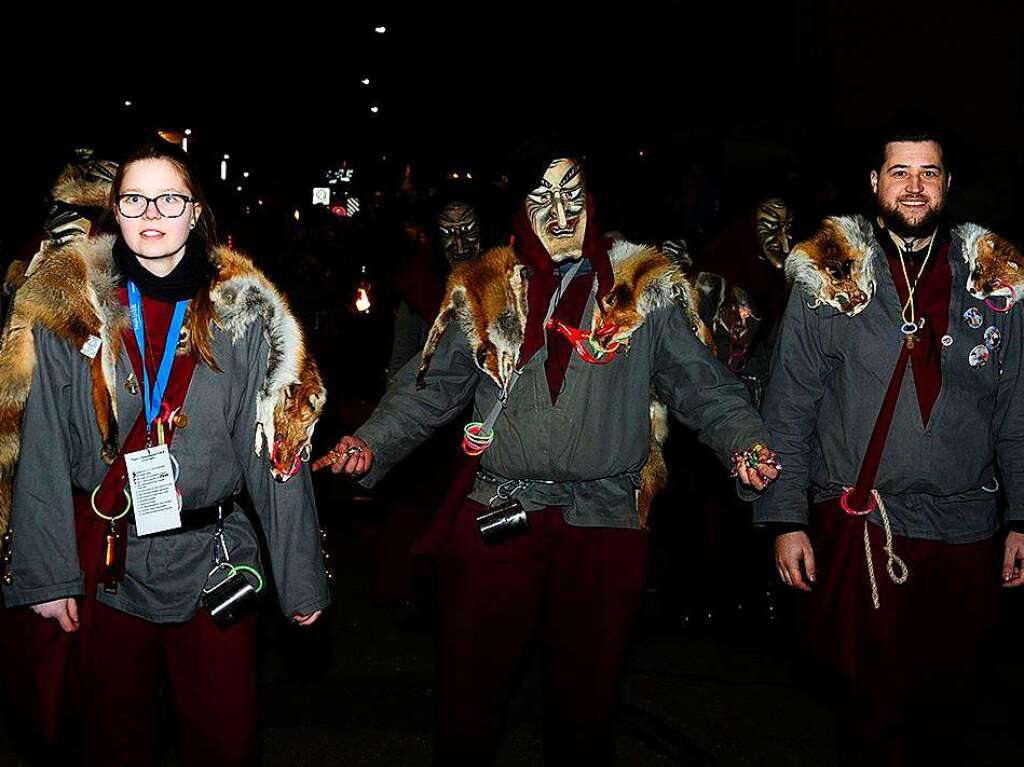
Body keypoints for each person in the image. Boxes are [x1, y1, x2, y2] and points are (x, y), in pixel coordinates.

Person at [316, 149, 778, 765]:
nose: (557, 215)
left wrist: (744, 440)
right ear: (519, 211)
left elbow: (701, 385)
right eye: (540, 201)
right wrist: (369, 443)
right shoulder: (484, 287)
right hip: (502, 516)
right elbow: (428, 387)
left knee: (586, 707)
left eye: (571, 197)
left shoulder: (644, 285)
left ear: (594, 202)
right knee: (469, 697)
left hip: (606, 521)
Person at [0, 141, 330, 766]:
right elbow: (38, 441)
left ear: (196, 212)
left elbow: (273, 449)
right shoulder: (70, 311)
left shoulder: (245, 313)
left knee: (226, 739)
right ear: (115, 211)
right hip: (111, 561)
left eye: (170, 198)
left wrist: (300, 576)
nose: (152, 213)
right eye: (134, 199)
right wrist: (48, 575)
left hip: (215, 558)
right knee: (114, 738)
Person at [755, 124, 1024, 766]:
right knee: (873, 710)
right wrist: (786, 519)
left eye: (928, 172)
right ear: (874, 182)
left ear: (947, 184)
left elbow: (1016, 408)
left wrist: (1021, 517)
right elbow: (789, 403)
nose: (914, 186)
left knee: (948, 706)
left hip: (966, 527)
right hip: (868, 527)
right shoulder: (830, 277)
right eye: (899, 172)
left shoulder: (997, 283)